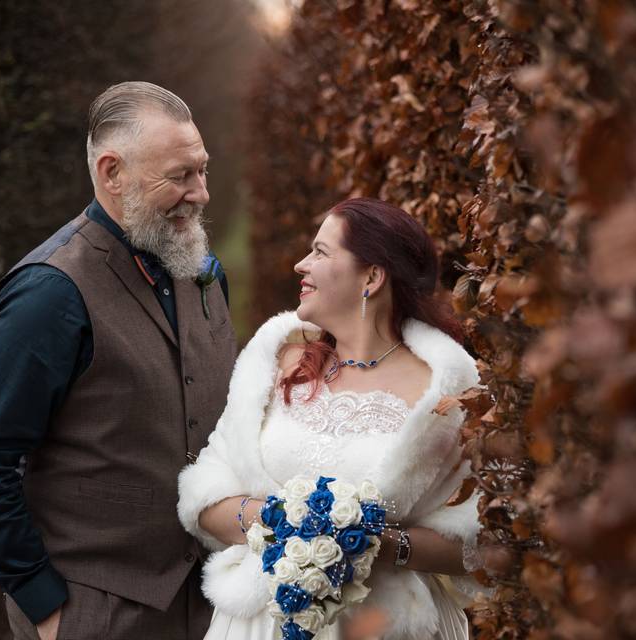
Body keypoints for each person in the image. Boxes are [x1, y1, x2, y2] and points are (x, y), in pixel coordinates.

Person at [0, 81, 237, 640]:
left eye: (203, 170)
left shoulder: (203, 270)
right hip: (96, 613)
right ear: (112, 173)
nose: (200, 192)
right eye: (179, 176)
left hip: (211, 604)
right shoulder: (48, 294)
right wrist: (43, 604)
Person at [177, 198, 487, 639]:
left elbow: (481, 540)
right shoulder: (278, 362)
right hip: (262, 623)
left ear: (372, 277)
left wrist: (373, 542)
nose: (301, 265)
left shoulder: (445, 390)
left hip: (384, 627)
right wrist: (281, 521)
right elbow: (204, 493)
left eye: (321, 253)